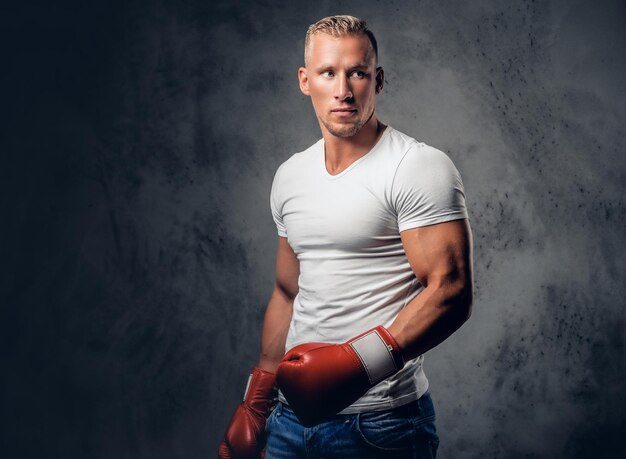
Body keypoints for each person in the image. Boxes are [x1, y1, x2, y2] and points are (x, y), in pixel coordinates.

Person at [218, 15, 473, 459]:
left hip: (381, 425)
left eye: (357, 72)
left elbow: (450, 291)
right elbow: (286, 290)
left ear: (378, 79)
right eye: (328, 73)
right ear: (305, 80)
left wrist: (358, 364)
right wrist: (256, 401)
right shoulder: (290, 175)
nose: (343, 90)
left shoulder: (416, 167)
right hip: (288, 420)